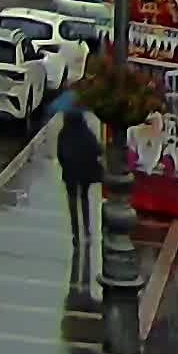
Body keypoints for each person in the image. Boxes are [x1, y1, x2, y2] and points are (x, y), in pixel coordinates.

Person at [53, 87, 107, 293]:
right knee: (84, 199)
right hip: (85, 173)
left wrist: (65, 164)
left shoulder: (64, 133)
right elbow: (97, 149)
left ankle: (76, 233)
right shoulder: (85, 132)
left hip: (70, 173)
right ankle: (87, 230)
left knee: (72, 201)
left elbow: (60, 154)